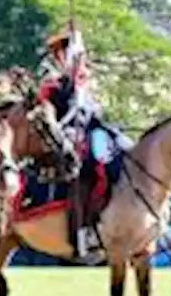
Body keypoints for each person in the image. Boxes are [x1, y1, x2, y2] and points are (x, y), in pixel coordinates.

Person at [38, 25, 132, 259]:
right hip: (64, 133)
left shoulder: (83, 79)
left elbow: (90, 109)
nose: (67, 57)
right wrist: (70, 87)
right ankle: (82, 231)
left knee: (123, 149)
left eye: (69, 51)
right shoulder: (53, 84)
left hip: (91, 128)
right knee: (87, 165)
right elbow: (52, 111)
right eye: (63, 53)